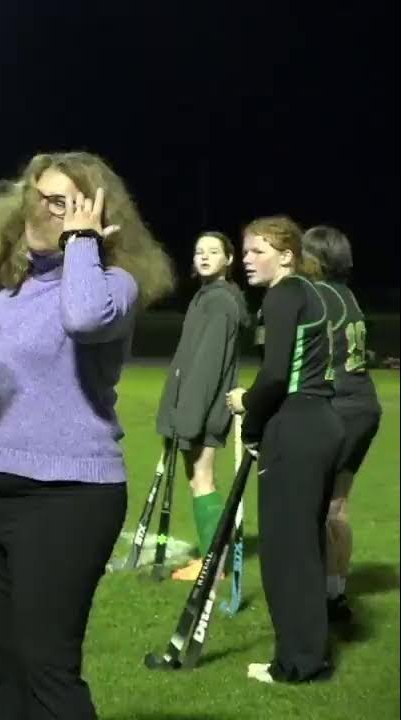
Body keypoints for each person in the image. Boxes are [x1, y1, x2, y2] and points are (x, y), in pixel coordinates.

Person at [0, 151, 175, 719]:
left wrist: (81, 243)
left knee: (47, 667)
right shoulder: (0, 296)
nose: (45, 212)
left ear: (97, 216)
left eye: (66, 204)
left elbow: (84, 319)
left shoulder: (113, 285)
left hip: (66, 498)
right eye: (41, 198)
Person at [225, 215, 343, 684]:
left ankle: (295, 664)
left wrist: (249, 413)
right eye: (246, 251)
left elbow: (275, 376)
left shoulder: (283, 295)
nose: (248, 259)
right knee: (305, 550)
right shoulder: (310, 293)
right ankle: (309, 656)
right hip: (320, 424)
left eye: (258, 251)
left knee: (285, 555)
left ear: (287, 255)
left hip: (295, 428)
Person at [154, 231, 250, 580]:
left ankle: (214, 564)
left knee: (202, 478)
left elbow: (208, 367)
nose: (205, 256)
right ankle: (214, 559)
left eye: (213, 251)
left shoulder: (220, 302)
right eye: (199, 252)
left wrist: (188, 418)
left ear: (229, 259)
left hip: (204, 408)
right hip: (195, 407)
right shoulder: (207, 296)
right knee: (198, 478)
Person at [300, 225, 382, 627]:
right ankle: (335, 593)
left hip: (339, 408)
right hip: (364, 406)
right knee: (337, 505)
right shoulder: (347, 295)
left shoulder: (318, 296)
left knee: (316, 506)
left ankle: (322, 594)